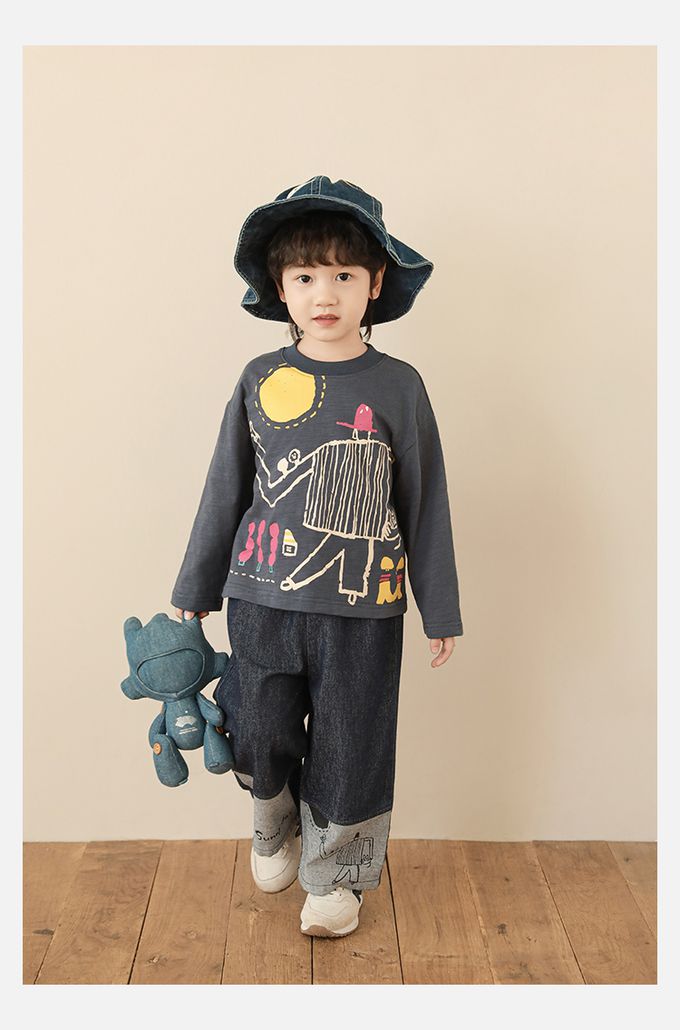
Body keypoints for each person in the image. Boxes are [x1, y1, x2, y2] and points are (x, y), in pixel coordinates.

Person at [171, 175, 464, 939]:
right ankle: (273, 819)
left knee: (352, 742)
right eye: (304, 277)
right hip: (262, 599)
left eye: (343, 275)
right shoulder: (260, 378)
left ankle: (334, 878)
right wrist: (195, 585)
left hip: (365, 610)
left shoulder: (400, 387)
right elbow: (226, 484)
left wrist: (440, 607)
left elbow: (425, 500)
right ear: (281, 288)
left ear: (375, 284)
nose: (324, 293)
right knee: (257, 725)